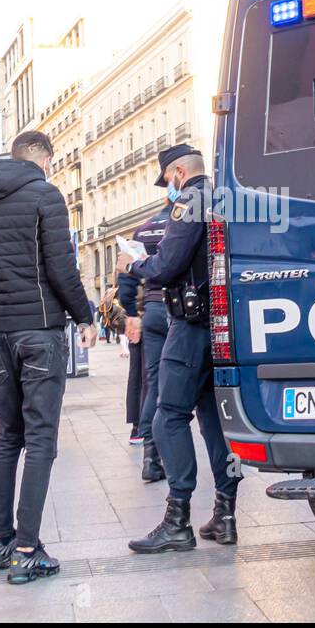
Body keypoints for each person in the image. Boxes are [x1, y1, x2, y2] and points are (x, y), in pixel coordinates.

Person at [0, 131, 96, 585]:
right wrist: (85, 315)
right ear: (40, 156)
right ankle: (27, 549)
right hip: (39, 331)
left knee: (8, 438)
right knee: (41, 439)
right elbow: (61, 266)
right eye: (51, 161)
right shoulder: (44, 194)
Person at [118, 144, 240, 553]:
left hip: (190, 326)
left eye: (167, 179)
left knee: (166, 417)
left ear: (178, 171)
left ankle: (177, 521)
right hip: (218, 325)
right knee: (211, 420)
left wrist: (134, 265)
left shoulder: (191, 199)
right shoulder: (223, 196)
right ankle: (225, 514)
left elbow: (168, 266)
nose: (166, 188)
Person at [118, 199, 171, 477]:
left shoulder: (144, 230)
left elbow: (126, 277)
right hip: (183, 310)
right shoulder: (190, 220)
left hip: (151, 310)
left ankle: (151, 458)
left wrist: (131, 313)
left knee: (153, 384)